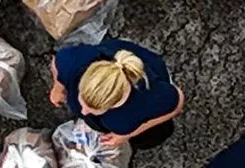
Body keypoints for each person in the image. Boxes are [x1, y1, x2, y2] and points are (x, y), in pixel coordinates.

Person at [49, 39, 184, 148]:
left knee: (152, 137)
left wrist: (127, 135)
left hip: (151, 72)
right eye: (82, 99)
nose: (83, 112)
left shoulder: (138, 106)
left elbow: (177, 102)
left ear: (114, 104)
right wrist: (58, 87)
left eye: (94, 109)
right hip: (116, 52)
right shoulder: (75, 64)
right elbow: (58, 62)